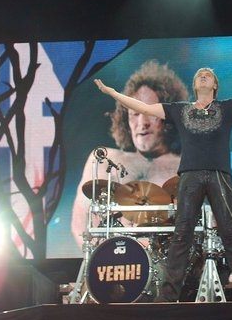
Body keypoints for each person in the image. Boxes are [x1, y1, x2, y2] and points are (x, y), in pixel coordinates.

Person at [94, 55, 232, 302]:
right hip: (190, 176)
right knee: (182, 234)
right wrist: (113, 93)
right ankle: (167, 297)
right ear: (195, 85)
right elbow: (143, 108)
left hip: (219, 175)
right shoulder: (180, 110)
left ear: (215, 85)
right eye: (199, 75)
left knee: (231, 234)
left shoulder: (228, 108)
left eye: (208, 74)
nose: (203, 75)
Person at [71, 60, 188, 248]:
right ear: (125, 119)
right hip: (112, 259)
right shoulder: (103, 160)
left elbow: (228, 219)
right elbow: (80, 225)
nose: (142, 123)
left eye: (150, 112)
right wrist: (103, 256)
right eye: (135, 113)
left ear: (168, 117)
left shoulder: (188, 165)